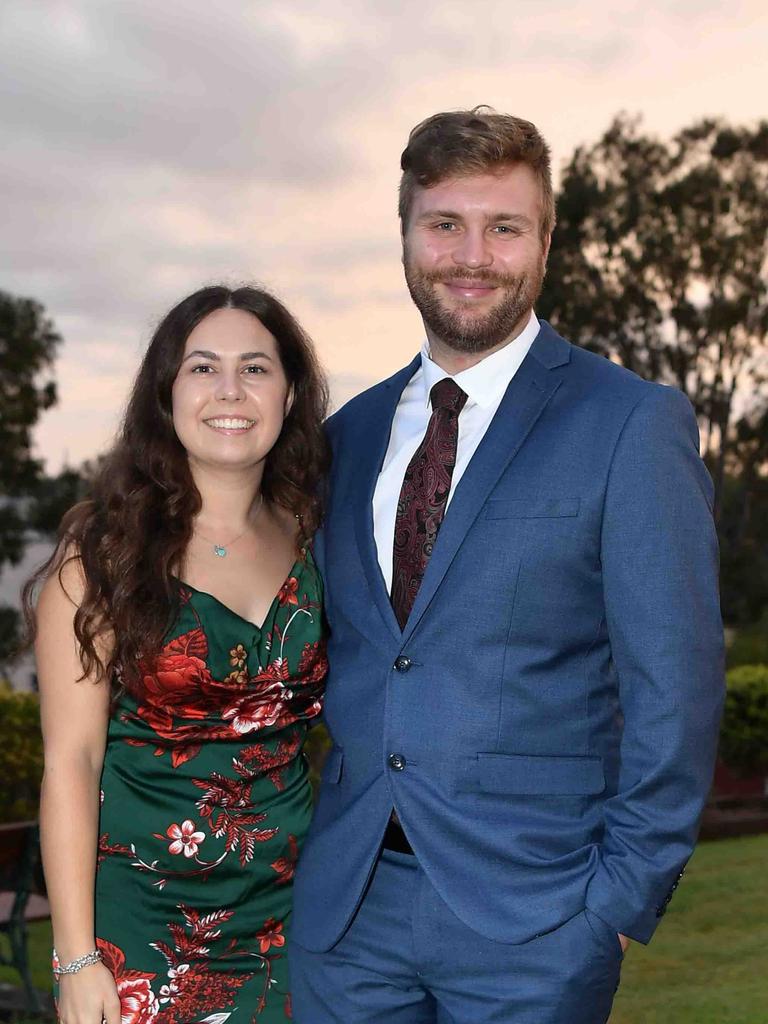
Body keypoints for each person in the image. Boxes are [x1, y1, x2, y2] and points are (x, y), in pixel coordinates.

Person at [289, 108, 725, 1023]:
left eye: (504, 227)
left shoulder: (628, 423)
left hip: (537, 922)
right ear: (405, 235)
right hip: (346, 918)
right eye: (444, 223)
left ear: (546, 241)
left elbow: (674, 687)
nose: (472, 255)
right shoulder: (346, 438)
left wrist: (613, 906)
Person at [26, 285, 329, 1024]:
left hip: (296, 926)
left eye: (255, 368)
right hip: (141, 932)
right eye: (203, 368)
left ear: (289, 395)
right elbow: (72, 762)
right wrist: (75, 959)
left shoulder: (319, 539)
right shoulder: (99, 556)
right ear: (166, 393)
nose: (230, 390)